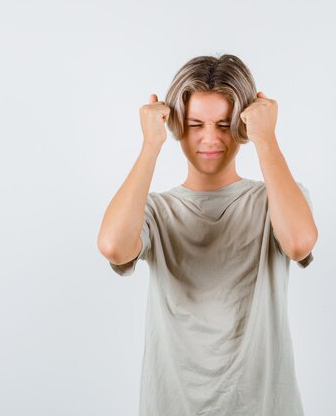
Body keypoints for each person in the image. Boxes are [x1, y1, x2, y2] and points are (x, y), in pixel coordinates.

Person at [97, 54, 318, 416]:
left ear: (242, 126)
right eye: (197, 124)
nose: (210, 138)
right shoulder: (156, 210)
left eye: (224, 124)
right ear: (179, 125)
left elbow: (299, 242)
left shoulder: (275, 199)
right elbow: (114, 246)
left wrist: (266, 138)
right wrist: (150, 145)